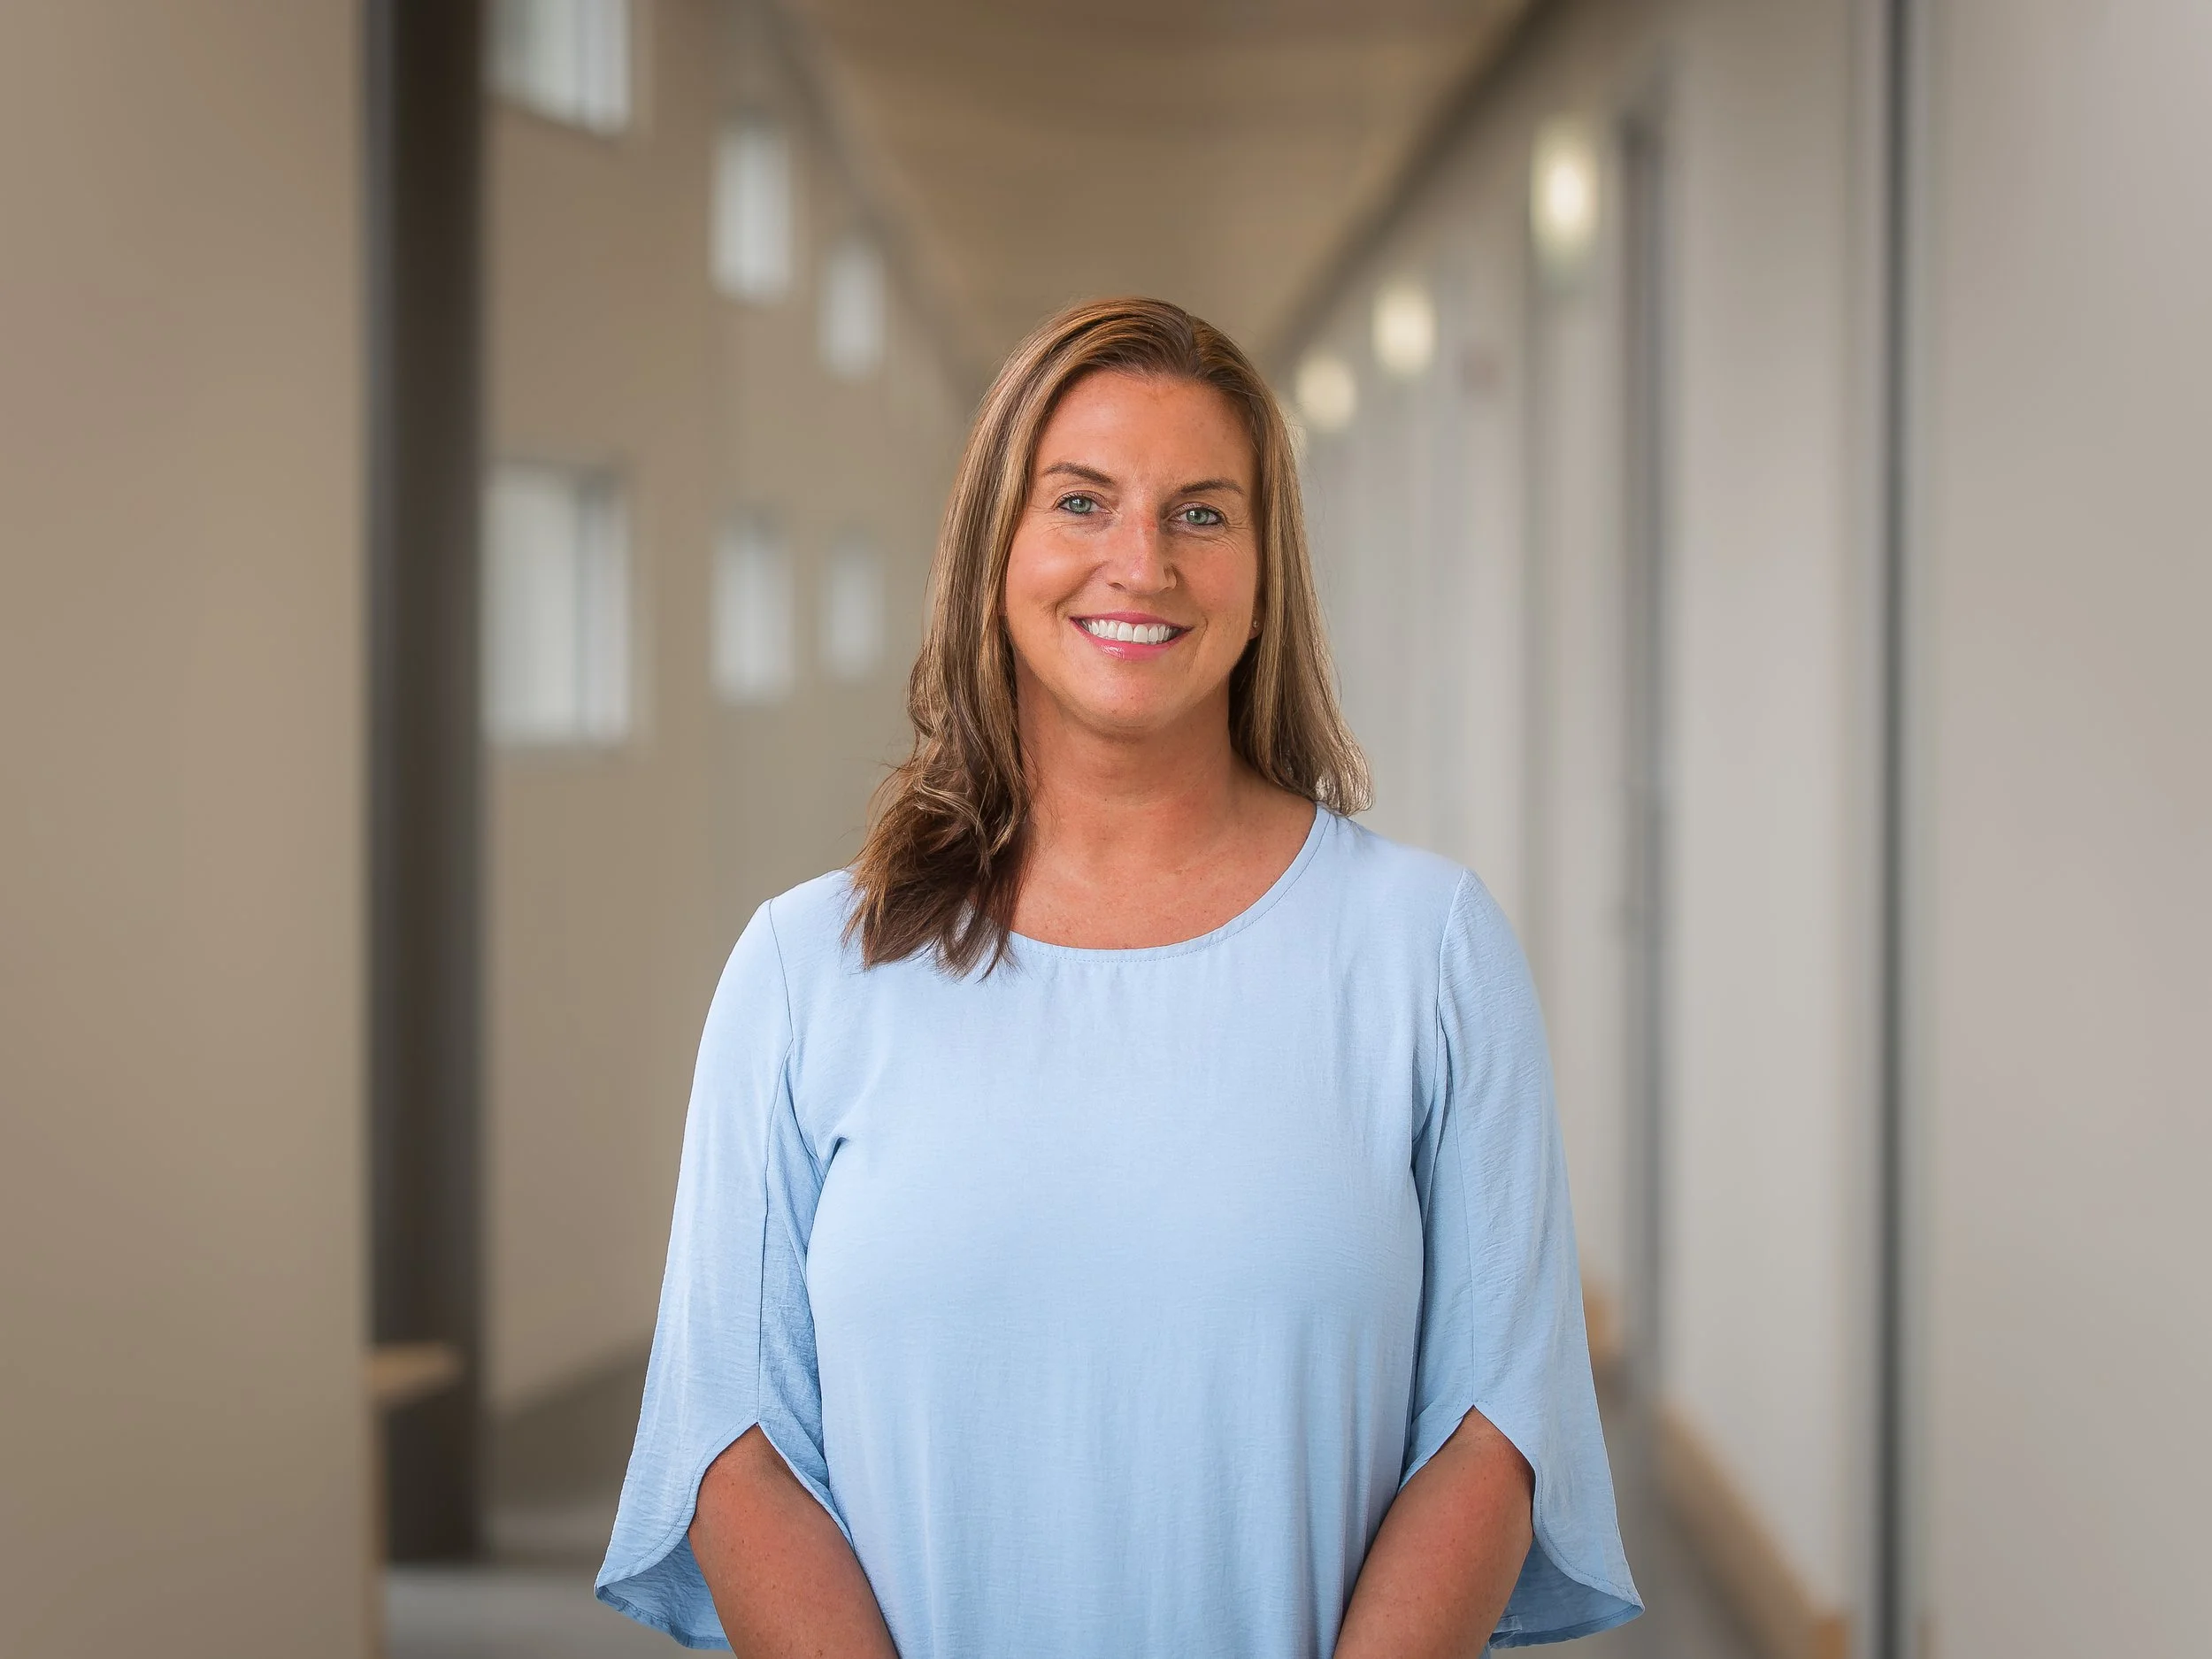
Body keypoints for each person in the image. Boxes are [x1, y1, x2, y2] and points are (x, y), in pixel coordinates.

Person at [595, 296, 1640, 1655]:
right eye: (1081, 502)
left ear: (1266, 571)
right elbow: (733, 1444)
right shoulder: (807, 974)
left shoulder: (1426, 953)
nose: (1139, 562)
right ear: (995, 547)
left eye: (1202, 513)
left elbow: (1500, 1421)